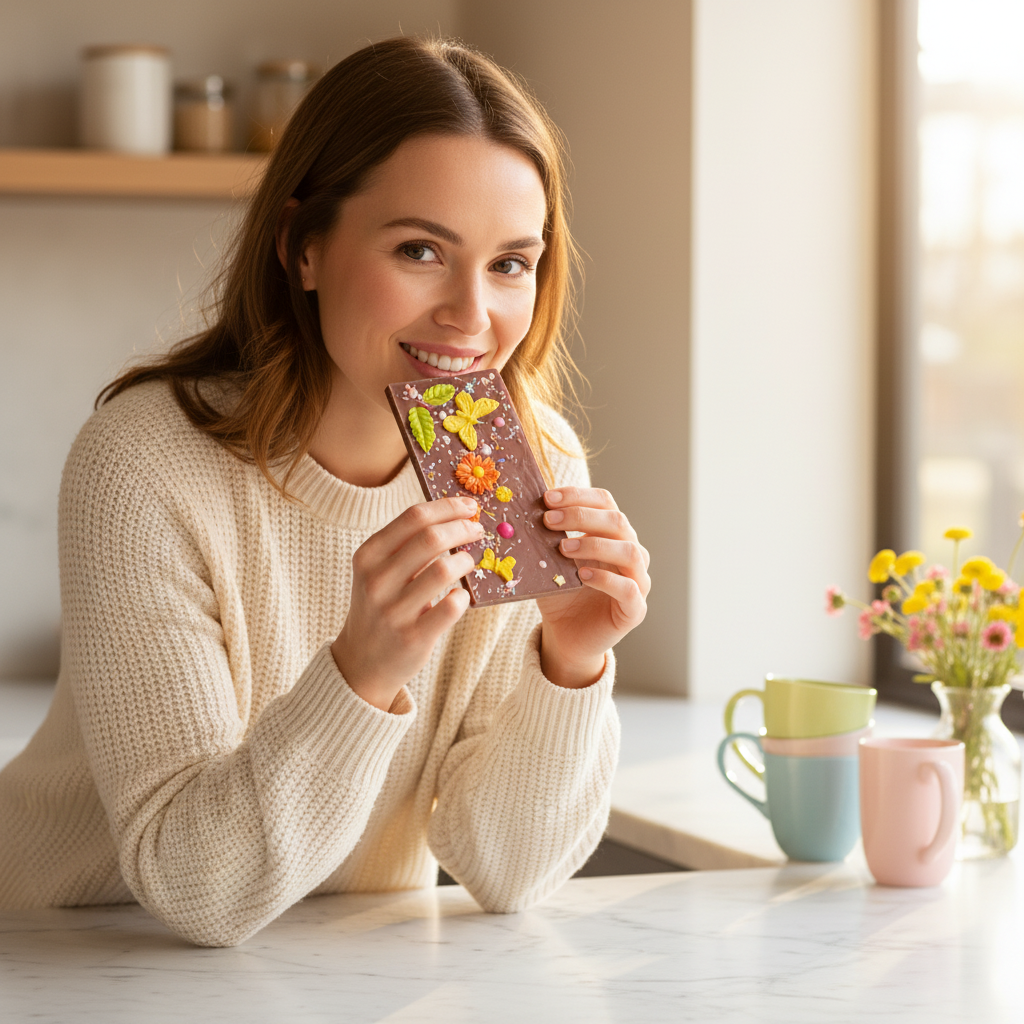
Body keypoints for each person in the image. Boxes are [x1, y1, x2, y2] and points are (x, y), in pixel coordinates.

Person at [0, 36, 650, 947]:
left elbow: (506, 870)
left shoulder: (531, 465)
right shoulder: (146, 464)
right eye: (420, 249)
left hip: (336, 963)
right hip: (63, 954)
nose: (472, 315)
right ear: (303, 248)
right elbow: (194, 888)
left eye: (511, 262)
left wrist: (570, 662)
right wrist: (365, 669)